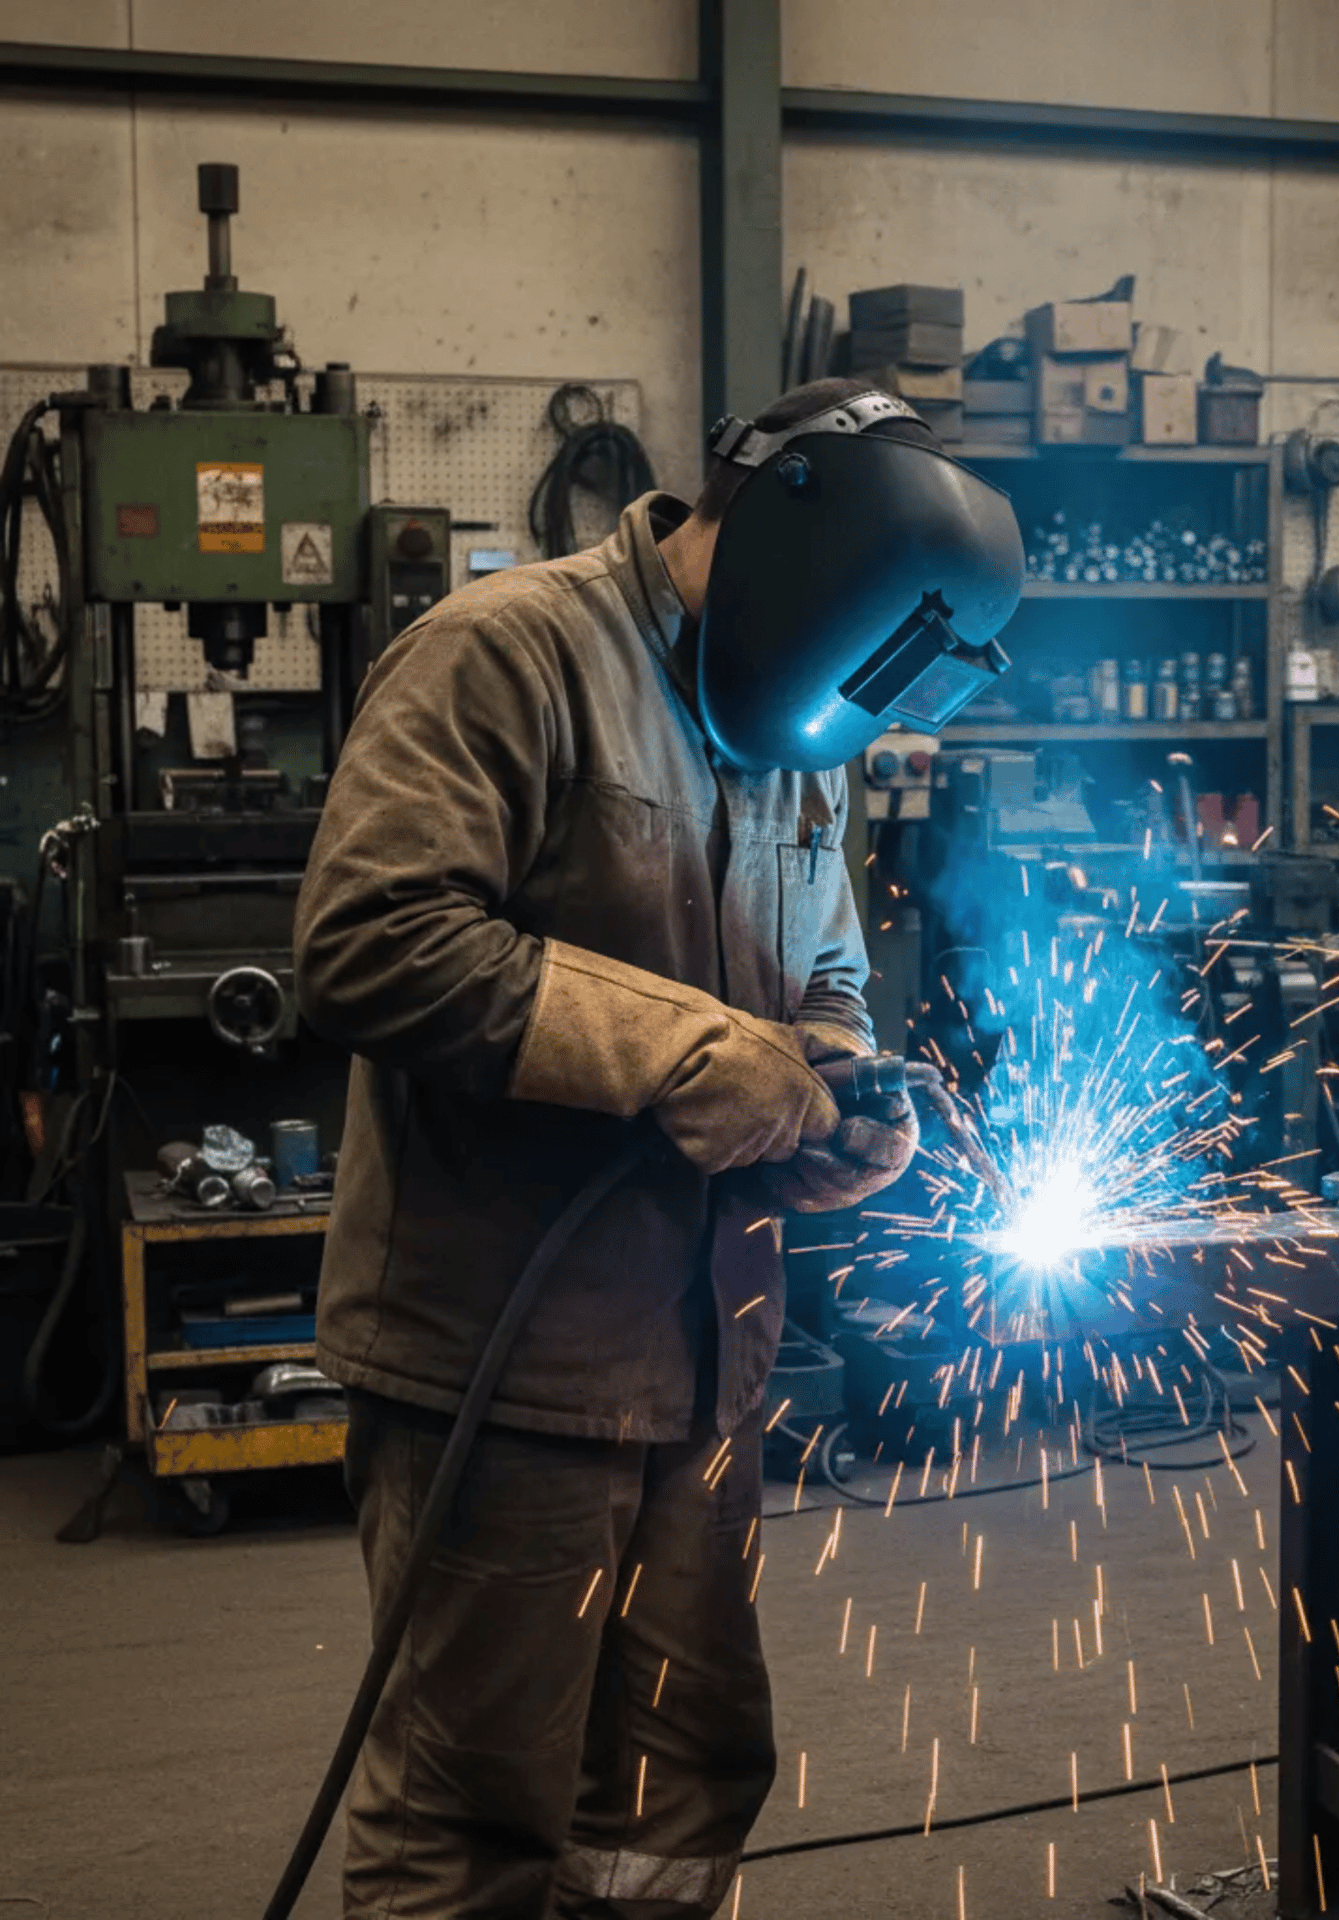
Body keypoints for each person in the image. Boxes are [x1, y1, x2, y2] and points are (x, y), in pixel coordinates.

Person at [293, 377, 1022, 1919]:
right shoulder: (508, 655)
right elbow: (370, 945)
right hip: (507, 1360)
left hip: (708, 1365)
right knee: (480, 1813)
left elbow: (825, 964)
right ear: (780, 538)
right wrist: (684, 1050)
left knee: (677, 1789)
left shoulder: (805, 722)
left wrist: (831, 1080)